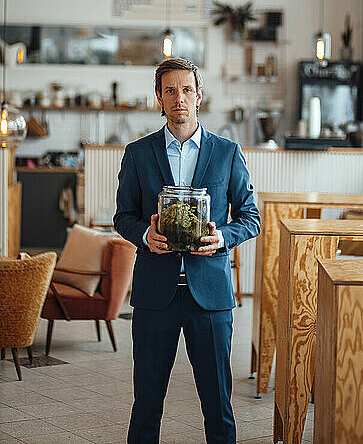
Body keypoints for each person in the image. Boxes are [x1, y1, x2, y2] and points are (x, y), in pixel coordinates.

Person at [114, 57, 260, 444]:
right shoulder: (138, 153)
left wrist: (222, 238)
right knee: (146, 403)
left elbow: (250, 217)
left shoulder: (227, 153)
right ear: (159, 99)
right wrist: (145, 235)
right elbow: (123, 216)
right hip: (154, 295)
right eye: (170, 91)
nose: (179, 98)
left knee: (218, 405)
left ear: (200, 96)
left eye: (187, 90)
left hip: (209, 297)